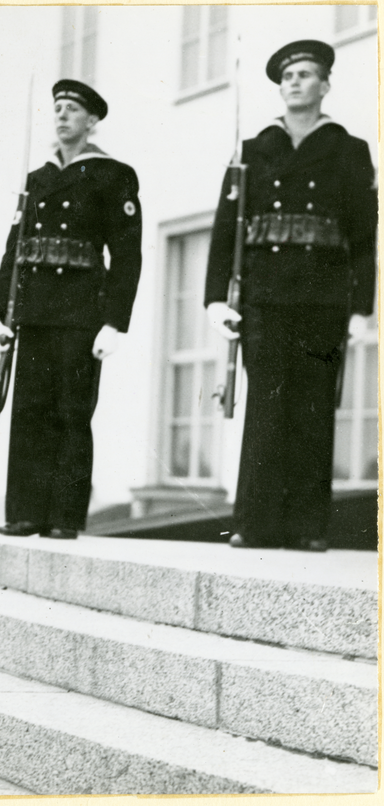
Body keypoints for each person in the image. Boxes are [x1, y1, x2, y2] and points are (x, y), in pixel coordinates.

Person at [204, 41, 376, 552]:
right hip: (266, 297)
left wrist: (362, 306)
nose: (295, 83)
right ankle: (254, 524)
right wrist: (217, 298)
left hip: (323, 299)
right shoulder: (253, 149)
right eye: (287, 77)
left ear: (325, 84)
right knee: (266, 408)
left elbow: (365, 237)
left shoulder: (349, 150)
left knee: (314, 409)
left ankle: (307, 527)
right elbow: (223, 231)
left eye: (305, 75)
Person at [0, 80, 143, 541]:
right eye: (57, 108)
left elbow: (127, 256)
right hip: (33, 313)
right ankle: (26, 512)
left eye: (72, 109)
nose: (62, 115)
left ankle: (64, 517)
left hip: (80, 313)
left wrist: (115, 322)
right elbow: (15, 250)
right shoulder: (37, 179)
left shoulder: (114, 175)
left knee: (72, 414)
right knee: (29, 412)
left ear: (91, 121)